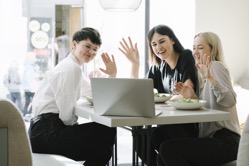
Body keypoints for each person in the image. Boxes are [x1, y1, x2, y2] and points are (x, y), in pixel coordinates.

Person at [28, 27, 117, 166]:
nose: (91, 52)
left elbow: (94, 93)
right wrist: (78, 130)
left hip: (41, 133)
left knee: (103, 150)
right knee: (107, 128)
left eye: (95, 49)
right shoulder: (70, 68)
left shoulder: (73, 67)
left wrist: (112, 75)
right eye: (87, 46)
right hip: (46, 132)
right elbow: (66, 114)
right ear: (74, 44)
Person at [119, 24, 199, 165]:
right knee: (140, 138)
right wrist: (135, 64)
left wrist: (177, 95)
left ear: (172, 40)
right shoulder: (158, 67)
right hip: (166, 123)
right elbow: (138, 91)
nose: (158, 48)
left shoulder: (186, 56)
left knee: (158, 138)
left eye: (162, 41)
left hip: (185, 125)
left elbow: (188, 90)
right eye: (154, 44)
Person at [157, 32, 241, 166]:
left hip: (227, 141)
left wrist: (211, 78)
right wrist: (192, 97)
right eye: (194, 47)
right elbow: (210, 108)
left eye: (200, 47)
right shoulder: (204, 74)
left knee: (168, 149)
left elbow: (230, 100)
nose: (195, 52)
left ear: (212, 49)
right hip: (213, 139)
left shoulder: (215, 67)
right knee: (162, 152)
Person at [22, 52, 37, 117]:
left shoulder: (27, 66)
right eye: (34, 57)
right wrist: (31, 87)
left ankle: (25, 114)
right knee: (35, 101)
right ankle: (29, 114)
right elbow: (28, 78)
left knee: (27, 102)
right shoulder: (30, 67)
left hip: (27, 88)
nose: (35, 58)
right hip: (30, 88)